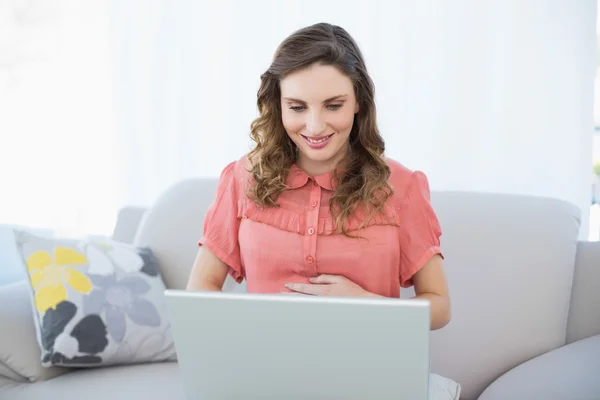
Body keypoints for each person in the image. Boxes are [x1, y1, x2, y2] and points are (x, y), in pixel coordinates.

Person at [186, 22, 451, 331]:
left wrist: (367, 304)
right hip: (268, 369)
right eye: (297, 107)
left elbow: (440, 306)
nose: (314, 127)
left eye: (333, 106)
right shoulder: (242, 178)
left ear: (358, 104)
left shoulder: (401, 187)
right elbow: (200, 290)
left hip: (368, 370)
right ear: (278, 105)